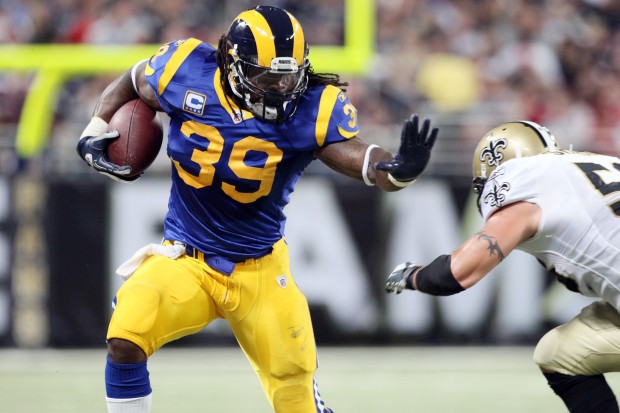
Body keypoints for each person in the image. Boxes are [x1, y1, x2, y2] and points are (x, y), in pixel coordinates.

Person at [76, 5, 438, 413]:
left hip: (261, 272)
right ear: (232, 63)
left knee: (295, 397)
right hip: (185, 259)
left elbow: (362, 159)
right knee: (126, 334)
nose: (282, 87)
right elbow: (135, 79)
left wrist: (398, 170)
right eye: (268, 76)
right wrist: (96, 126)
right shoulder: (184, 69)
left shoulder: (311, 109)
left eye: (289, 75)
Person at [385, 120, 620, 413]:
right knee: (560, 353)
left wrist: (410, 275)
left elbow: (455, 274)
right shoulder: (593, 163)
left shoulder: (524, 180)